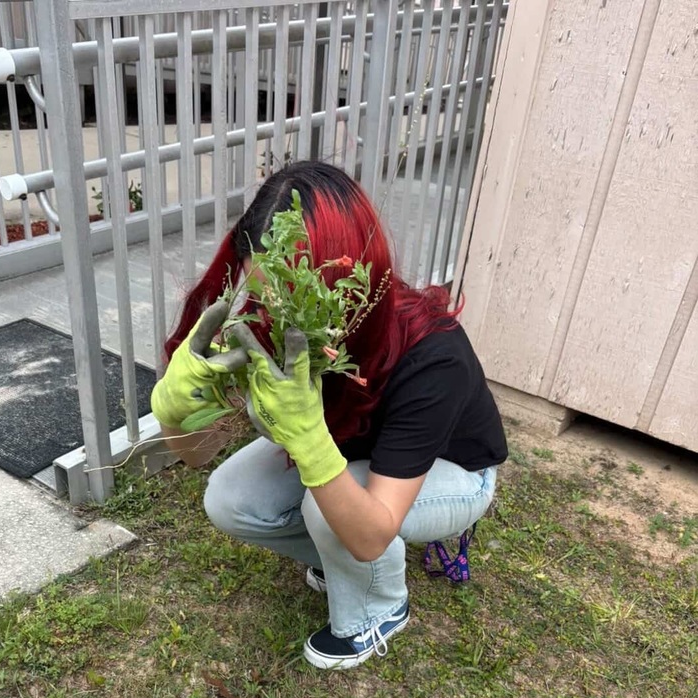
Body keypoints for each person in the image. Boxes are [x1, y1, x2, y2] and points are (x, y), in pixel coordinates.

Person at [151, 161, 507, 670]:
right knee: (230, 497)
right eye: (263, 293)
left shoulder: (433, 357)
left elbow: (371, 533)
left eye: (291, 302)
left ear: (346, 284)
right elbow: (196, 455)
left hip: (453, 473)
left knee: (335, 515)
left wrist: (309, 442)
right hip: (352, 452)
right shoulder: (265, 321)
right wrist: (173, 407)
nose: (272, 316)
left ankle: (380, 608)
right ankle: (338, 561)